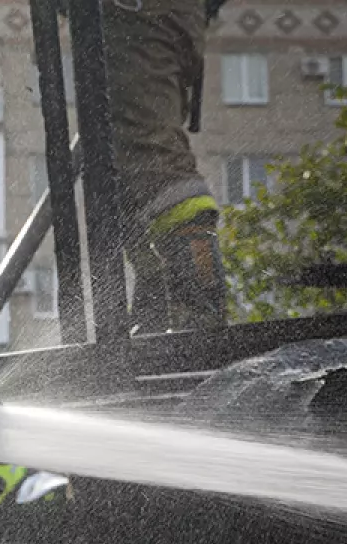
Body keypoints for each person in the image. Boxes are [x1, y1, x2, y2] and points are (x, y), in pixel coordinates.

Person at [97, 0, 229, 331]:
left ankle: (198, 313)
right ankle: (156, 310)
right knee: (120, 165)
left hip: (138, 12)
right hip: (138, 13)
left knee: (151, 155)